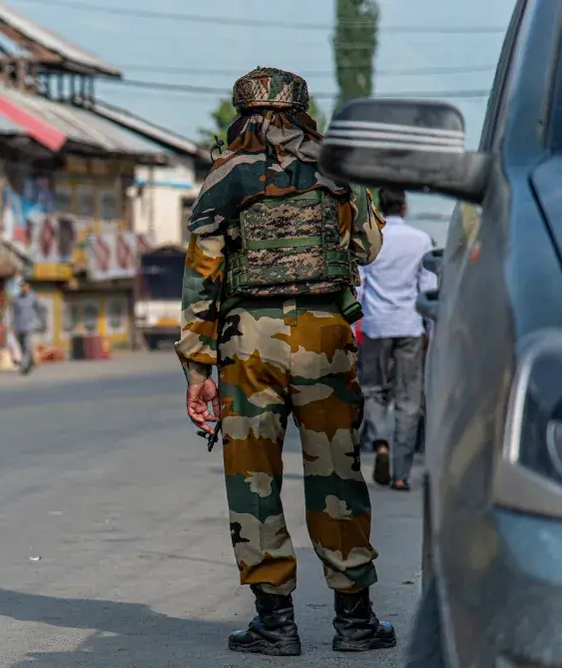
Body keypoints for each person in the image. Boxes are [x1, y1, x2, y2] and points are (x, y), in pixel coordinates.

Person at [175, 68, 394, 656]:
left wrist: (198, 369)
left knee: (254, 479)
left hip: (247, 343)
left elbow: (202, 276)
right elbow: (371, 248)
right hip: (325, 336)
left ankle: (275, 624)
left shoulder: (226, 174)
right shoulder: (337, 167)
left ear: (241, 113)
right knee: (337, 476)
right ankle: (355, 621)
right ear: (302, 110)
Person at [357, 189, 437, 491]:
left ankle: (380, 444)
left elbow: (360, 287)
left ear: (379, 205)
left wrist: (356, 328)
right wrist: (431, 331)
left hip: (376, 326)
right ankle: (401, 474)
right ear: (404, 206)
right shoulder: (420, 239)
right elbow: (427, 287)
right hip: (409, 326)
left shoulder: (371, 237)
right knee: (408, 399)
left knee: (373, 390)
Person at [10, 280, 45, 374]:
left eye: (25, 286)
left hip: (30, 326)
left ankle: (24, 367)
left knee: (26, 345)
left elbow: (41, 310)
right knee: (22, 346)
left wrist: (43, 323)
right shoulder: (16, 299)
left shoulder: (33, 297)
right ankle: (29, 363)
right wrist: (12, 326)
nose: (24, 288)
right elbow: (13, 313)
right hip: (19, 326)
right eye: (22, 287)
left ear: (28, 287)